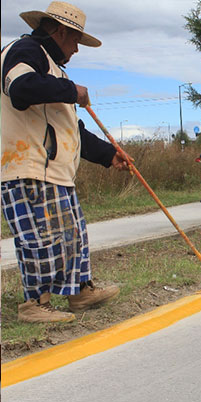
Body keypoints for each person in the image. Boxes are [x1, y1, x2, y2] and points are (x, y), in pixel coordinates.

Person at [1, 1, 131, 323]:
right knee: (40, 239)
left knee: (73, 235)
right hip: (27, 165)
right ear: (60, 32)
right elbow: (20, 87)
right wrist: (72, 90)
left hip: (54, 171)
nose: (76, 50)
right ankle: (35, 304)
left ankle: (79, 292)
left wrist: (108, 154)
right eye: (75, 41)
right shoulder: (25, 50)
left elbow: (72, 130)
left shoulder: (55, 70)